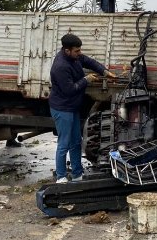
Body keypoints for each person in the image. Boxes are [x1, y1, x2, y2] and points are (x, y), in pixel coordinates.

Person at [49, 34, 116, 184]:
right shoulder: (61, 66)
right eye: (77, 51)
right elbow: (69, 90)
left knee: (76, 142)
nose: (80, 53)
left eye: (80, 50)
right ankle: (61, 177)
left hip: (72, 107)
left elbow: (88, 61)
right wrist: (86, 80)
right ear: (67, 51)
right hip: (62, 108)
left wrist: (104, 71)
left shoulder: (74, 57)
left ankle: (77, 174)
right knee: (64, 143)